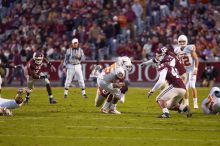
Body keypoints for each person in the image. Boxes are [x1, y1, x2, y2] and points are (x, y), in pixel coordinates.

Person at [148, 48, 192, 118]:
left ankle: (166, 114)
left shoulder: (163, 66)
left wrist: (152, 90)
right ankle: (185, 108)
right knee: (168, 105)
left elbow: (161, 81)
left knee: (159, 99)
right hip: (182, 89)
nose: (157, 59)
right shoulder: (169, 66)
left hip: (176, 86)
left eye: (158, 57)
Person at [175, 35, 199, 109]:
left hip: (191, 70)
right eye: (180, 41)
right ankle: (187, 104)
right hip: (184, 71)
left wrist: (196, 68)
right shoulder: (177, 50)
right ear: (178, 42)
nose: (182, 43)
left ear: (186, 41)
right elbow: (177, 60)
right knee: (185, 88)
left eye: (183, 41)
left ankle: (195, 103)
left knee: (192, 86)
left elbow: (196, 59)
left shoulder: (189, 48)